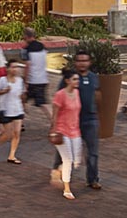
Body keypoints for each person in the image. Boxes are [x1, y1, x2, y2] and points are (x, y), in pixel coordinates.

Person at [52, 49, 102, 190]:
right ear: (75, 62)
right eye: (79, 60)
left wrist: (99, 115)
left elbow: (98, 95)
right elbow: (59, 99)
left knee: (93, 151)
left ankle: (92, 179)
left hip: (90, 119)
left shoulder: (93, 77)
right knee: (64, 150)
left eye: (85, 60)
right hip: (71, 122)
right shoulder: (69, 79)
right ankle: (57, 171)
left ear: (89, 62)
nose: (82, 63)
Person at [50, 69, 83, 200]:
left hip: (75, 130)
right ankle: (67, 188)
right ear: (67, 81)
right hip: (62, 130)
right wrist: (53, 129)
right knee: (68, 160)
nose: (77, 81)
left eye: (78, 79)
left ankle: (58, 171)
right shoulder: (60, 95)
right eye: (75, 79)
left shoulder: (77, 93)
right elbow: (55, 114)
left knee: (77, 162)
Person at [0, 59, 25, 164]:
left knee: (17, 133)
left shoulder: (20, 80)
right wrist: (4, 91)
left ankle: (12, 155)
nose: (16, 69)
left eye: (17, 67)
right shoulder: (3, 80)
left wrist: (24, 100)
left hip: (17, 109)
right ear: (8, 69)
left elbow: (21, 94)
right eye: (13, 67)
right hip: (6, 109)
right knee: (8, 134)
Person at [22, 27, 51, 123]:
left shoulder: (27, 49)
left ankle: (19, 121)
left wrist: (25, 80)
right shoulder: (42, 47)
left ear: (26, 36)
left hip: (33, 80)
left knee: (22, 99)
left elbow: (28, 66)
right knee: (41, 102)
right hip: (43, 79)